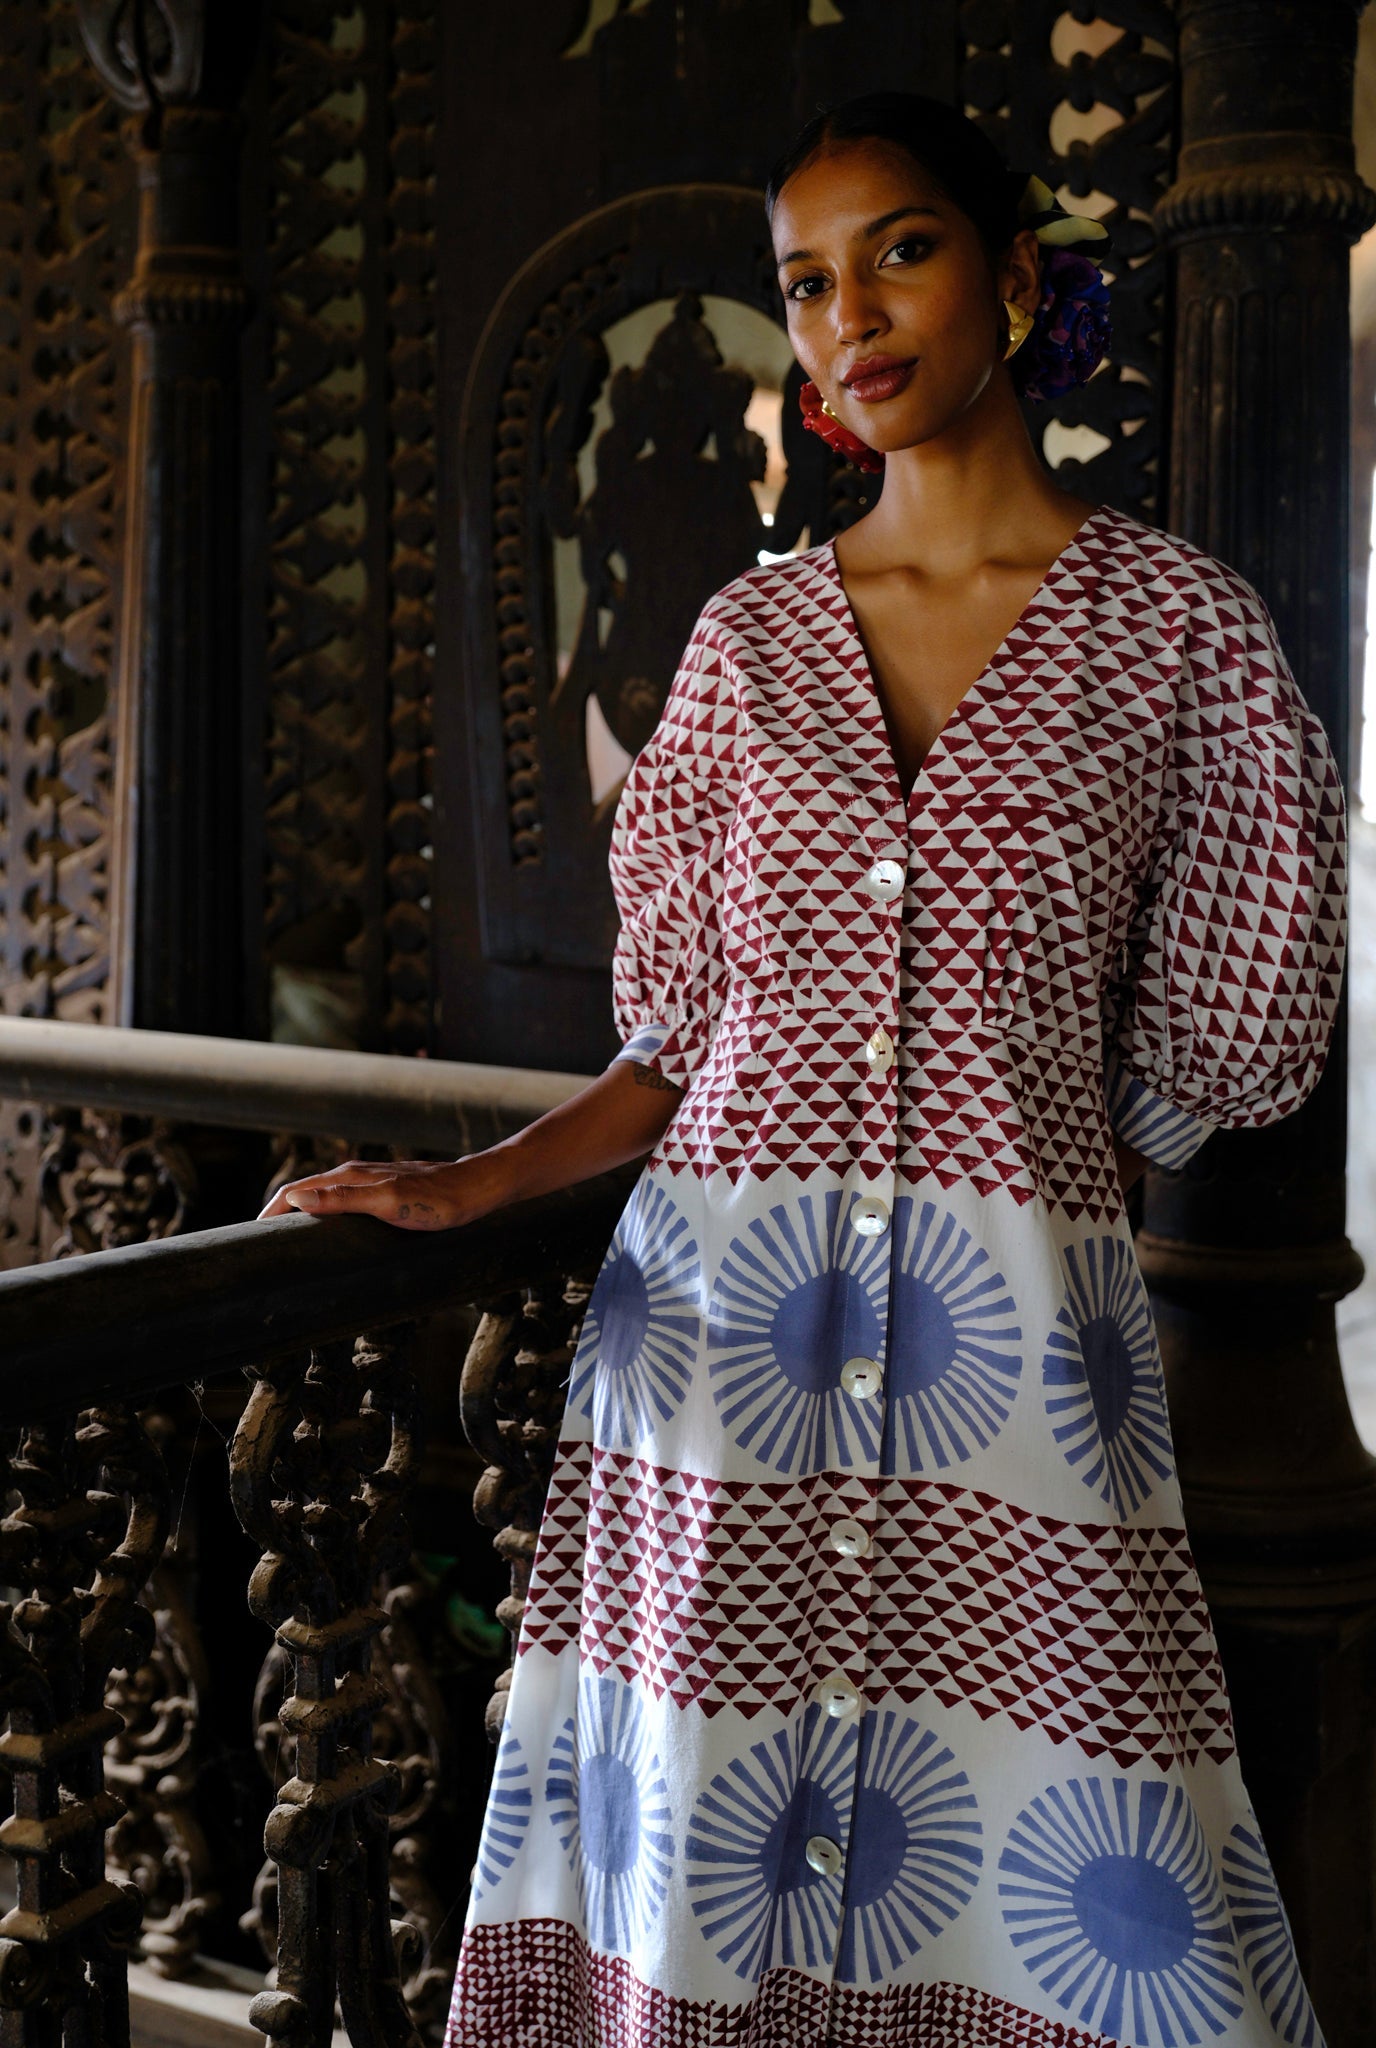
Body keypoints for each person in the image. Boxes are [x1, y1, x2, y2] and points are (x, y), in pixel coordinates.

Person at [261, 92, 1346, 2048]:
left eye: (899, 253)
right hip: (709, 1358)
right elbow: (678, 1042)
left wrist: (1023, 1154)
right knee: (706, 1854)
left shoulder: (1181, 635)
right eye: (807, 283)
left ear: (1015, 280)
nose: (852, 316)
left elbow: (1236, 1030)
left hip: (1018, 1383)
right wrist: (464, 1185)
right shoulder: (746, 644)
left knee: (1075, 1873)